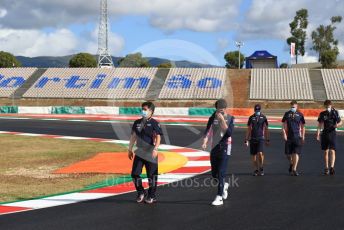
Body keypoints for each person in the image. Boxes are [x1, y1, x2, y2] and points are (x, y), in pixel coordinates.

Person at [128, 101, 163, 204]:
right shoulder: (137, 122)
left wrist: (156, 149)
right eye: (142, 109)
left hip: (151, 151)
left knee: (152, 175)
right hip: (139, 151)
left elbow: (158, 136)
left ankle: (152, 195)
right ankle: (141, 192)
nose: (143, 111)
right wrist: (130, 149)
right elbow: (133, 136)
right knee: (134, 174)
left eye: (145, 109)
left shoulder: (154, 123)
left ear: (151, 111)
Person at [202, 99, 234, 206]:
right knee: (214, 174)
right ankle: (224, 185)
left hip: (225, 147)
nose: (219, 113)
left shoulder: (230, 118)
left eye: (221, 110)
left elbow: (229, 133)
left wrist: (223, 121)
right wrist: (205, 140)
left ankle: (219, 197)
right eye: (218, 111)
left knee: (221, 173)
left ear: (225, 109)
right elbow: (208, 129)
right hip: (214, 147)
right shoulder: (213, 117)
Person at [316, 100, 342, 175]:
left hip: (332, 133)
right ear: (325, 106)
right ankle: (326, 167)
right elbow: (320, 124)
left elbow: (340, 122)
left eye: (329, 106)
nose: (328, 107)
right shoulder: (322, 114)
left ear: (331, 105)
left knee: (332, 151)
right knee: (326, 151)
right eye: (327, 106)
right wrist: (317, 134)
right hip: (325, 133)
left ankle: (332, 167)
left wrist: (337, 125)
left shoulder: (335, 113)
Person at [282, 100, 306, 176]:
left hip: (297, 136)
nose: (293, 108)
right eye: (292, 107)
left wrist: (303, 136)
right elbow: (283, 125)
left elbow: (303, 126)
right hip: (289, 136)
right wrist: (284, 134)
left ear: (297, 106)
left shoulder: (300, 115)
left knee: (296, 153)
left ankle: (294, 169)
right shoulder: (287, 114)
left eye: (294, 107)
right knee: (288, 154)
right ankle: (291, 163)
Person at [245, 104, 270, 176]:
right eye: (256, 110)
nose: (257, 111)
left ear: (260, 110)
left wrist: (267, 139)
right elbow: (249, 129)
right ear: (254, 110)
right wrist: (246, 139)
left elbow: (266, 129)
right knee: (254, 155)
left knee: (260, 153)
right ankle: (256, 169)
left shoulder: (264, 117)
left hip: (260, 138)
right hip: (252, 138)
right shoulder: (251, 118)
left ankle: (261, 167)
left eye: (258, 110)